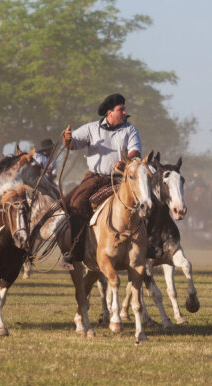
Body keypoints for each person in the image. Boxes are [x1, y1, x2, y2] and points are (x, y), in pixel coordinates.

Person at [60, 93, 142, 268]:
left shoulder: (130, 129)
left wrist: (126, 160)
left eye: (124, 108)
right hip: (95, 178)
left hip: (122, 179)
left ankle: (151, 245)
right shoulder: (91, 128)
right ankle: (76, 251)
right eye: (121, 109)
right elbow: (73, 143)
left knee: (147, 201)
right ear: (109, 112)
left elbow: (135, 151)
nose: (125, 112)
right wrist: (67, 139)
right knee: (75, 203)